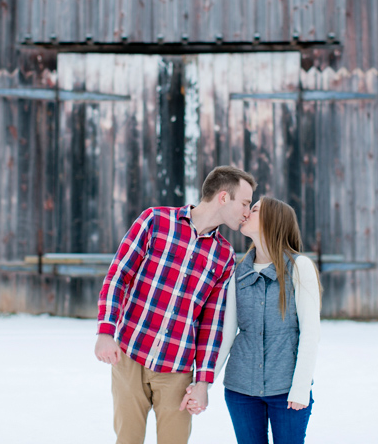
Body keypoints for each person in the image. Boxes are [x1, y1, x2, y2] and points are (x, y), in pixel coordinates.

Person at [95, 165, 257, 444]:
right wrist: (105, 331)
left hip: (177, 371)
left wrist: (203, 382)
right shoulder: (154, 221)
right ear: (222, 197)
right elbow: (118, 276)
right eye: (245, 203)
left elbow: (212, 324)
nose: (247, 211)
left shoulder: (224, 256)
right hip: (129, 356)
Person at [188, 197, 322, 444]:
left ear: (273, 220)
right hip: (241, 390)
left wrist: (301, 387)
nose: (247, 212)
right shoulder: (237, 272)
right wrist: (203, 385)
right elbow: (226, 336)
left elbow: (310, 333)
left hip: (287, 390)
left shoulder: (299, 267)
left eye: (256, 209)